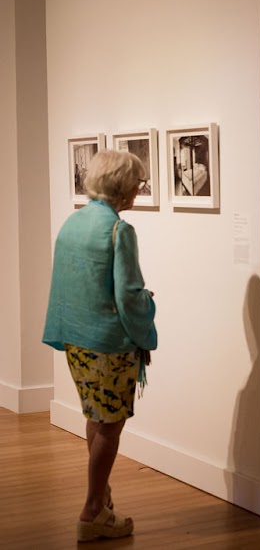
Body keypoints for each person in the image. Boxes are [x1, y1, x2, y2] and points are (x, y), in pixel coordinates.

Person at [43, 150, 157, 541]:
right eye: (138, 183)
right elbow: (128, 295)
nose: (139, 190)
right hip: (109, 345)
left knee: (95, 417)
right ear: (122, 184)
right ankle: (93, 511)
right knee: (110, 426)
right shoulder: (119, 230)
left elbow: (69, 285)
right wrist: (148, 302)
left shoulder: (73, 222)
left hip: (78, 339)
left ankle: (102, 499)